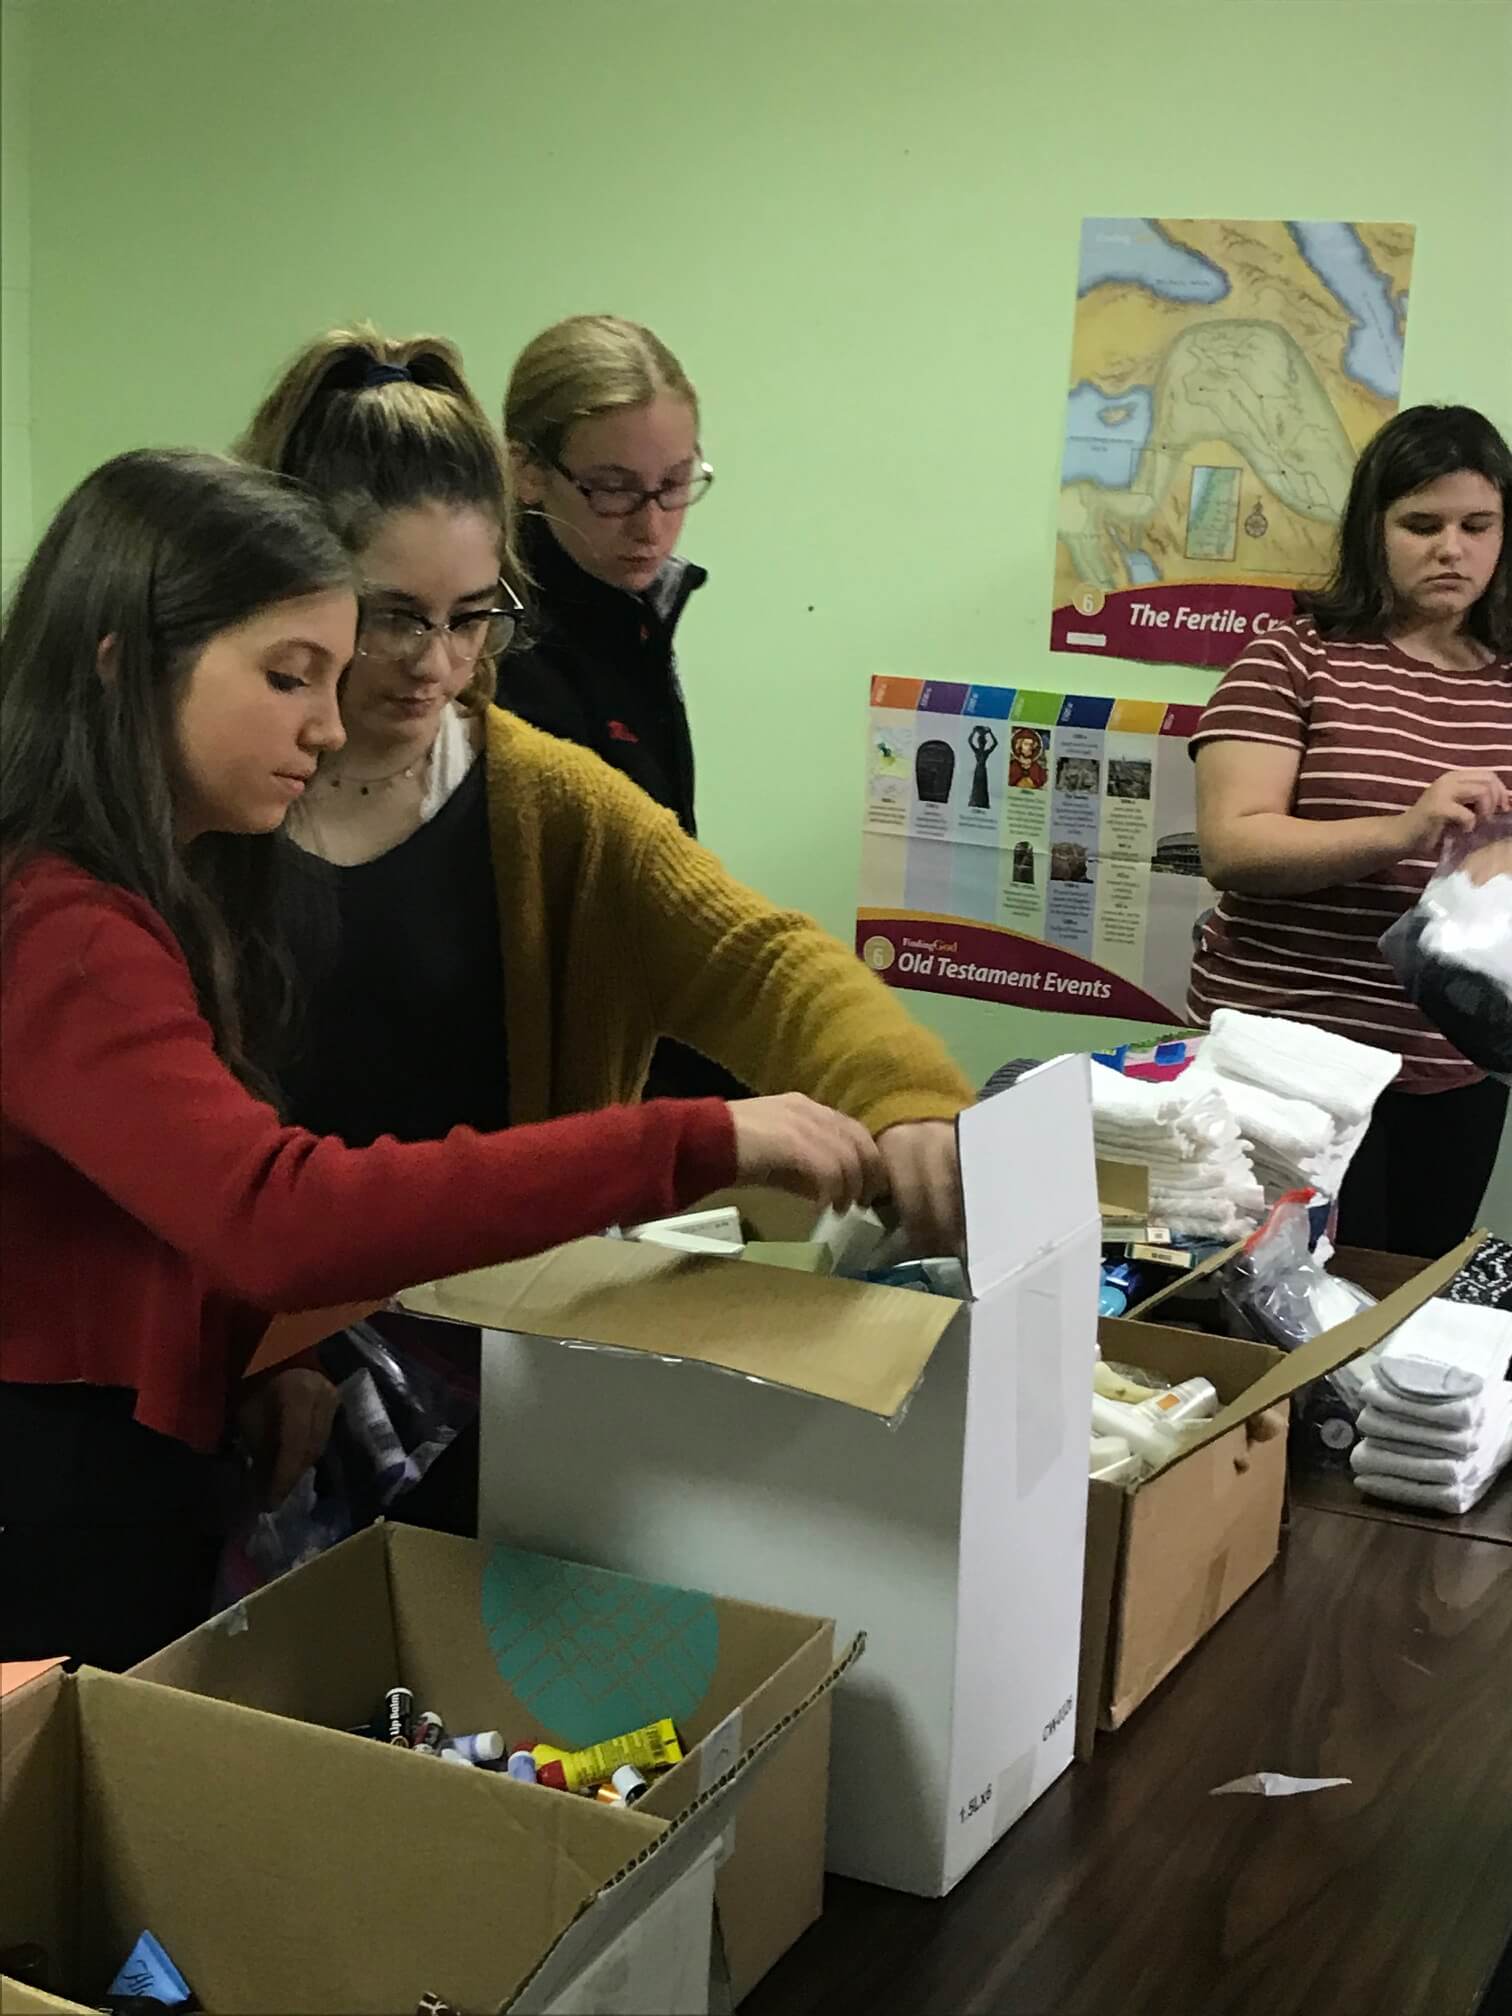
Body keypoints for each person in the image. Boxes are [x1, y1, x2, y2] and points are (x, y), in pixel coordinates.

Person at [0, 450, 899, 1670]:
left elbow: (157, 1203)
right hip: (56, 1493)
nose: (325, 724)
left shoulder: (149, 882)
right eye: (288, 678)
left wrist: (263, 1350)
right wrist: (694, 1140)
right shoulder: (65, 929)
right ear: (121, 665)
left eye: (466, 622)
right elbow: (272, 1209)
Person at [236, 327, 975, 1528]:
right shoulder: (207, 810)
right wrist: (258, 1342)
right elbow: (185, 1166)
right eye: (392, 619)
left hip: (494, 1339)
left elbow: (751, 952)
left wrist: (907, 1097)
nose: (437, 664)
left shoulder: (541, 796)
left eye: (473, 618)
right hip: (253, 1358)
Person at [1189, 403, 1512, 1256]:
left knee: (1392, 1319)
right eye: (1422, 524)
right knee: (1246, 1319)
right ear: (1374, 531)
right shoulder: (1294, 657)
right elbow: (1234, 847)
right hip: (1279, 1072)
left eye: (1478, 524)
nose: (1453, 548)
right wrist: (1404, 829)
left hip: (1448, 1080)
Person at [499, 314, 737, 1099]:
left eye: (675, 483)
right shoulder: (500, 651)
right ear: (527, 471)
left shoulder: (631, 614)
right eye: (610, 489)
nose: (652, 523)